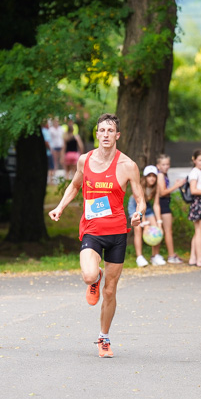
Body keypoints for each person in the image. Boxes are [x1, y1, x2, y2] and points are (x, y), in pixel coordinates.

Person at [48, 113, 144, 358]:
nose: (105, 135)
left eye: (110, 131)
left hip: (117, 232)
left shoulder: (128, 166)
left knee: (110, 291)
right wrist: (60, 207)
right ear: (97, 133)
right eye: (101, 130)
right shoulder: (84, 160)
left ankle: (104, 338)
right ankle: (96, 277)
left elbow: (140, 199)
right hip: (91, 229)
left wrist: (138, 214)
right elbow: (74, 185)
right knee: (89, 275)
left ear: (117, 135)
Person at [128, 165, 164, 267]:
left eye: (154, 176)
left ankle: (155, 255)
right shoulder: (141, 187)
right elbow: (140, 205)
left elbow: (156, 205)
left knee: (156, 229)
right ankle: (139, 257)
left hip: (147, 208)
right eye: (149, 176)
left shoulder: (156, 188)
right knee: (138, 229)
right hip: (135, 206)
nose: (152, 178)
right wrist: (144, 223)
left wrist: (159, 223)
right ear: (145, 177)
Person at [155, 153, 185, 264]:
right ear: (158, 166)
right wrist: (177, 186)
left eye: (167, 164)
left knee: (166, 230)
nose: (166, 166)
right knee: (167, 231)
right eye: (163, 164)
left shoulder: (164, 175)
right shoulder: (160, 175)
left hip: (165, 203)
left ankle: (163, 254)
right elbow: (162, 192)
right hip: (162, 204)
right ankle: (171, 255)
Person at [41, 120, 55, 184]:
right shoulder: (45, 131)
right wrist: (50, 149)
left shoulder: (41, 131)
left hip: (44, 153)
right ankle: (50, 181)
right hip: (48, 153)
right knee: (50, 167)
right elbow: (46, 142)